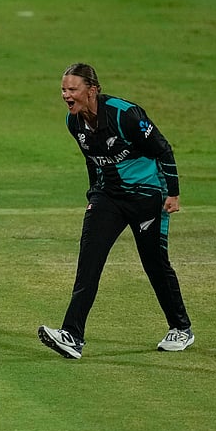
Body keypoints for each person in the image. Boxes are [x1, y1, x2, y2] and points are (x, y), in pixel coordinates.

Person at [39, 62, 193, 359]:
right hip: (108, 197)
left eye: (72, 89)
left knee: (154, 264)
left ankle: (181, 328)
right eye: (63, 89)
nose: (66, 95)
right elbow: (92, 159)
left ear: (92, 90)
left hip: (147, 195)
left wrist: (172, 193)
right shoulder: (74, 123)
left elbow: (163, 149)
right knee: (89, 261)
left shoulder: (125, 114)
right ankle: (72, 335)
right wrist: (92, 193)